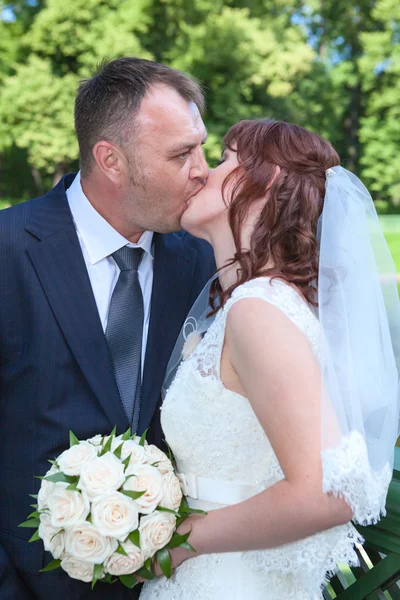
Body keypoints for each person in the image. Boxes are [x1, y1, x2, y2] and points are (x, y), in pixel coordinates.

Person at [140, 119, 400, 599]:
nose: (201, 173)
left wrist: (174, 546)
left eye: (222, 159)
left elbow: (329, 493)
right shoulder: (248, 304)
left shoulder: (258, 309)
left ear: (270, 179)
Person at [0, 57, 215, 599]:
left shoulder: (203, 263)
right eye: (182, 153)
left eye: (202, 147)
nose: (204, 169)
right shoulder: (7, 249)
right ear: (111, 160)